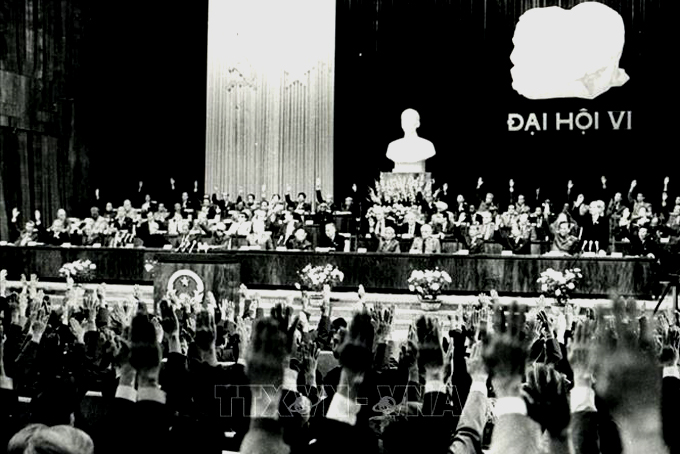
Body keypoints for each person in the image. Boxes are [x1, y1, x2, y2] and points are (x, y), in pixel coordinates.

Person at [386, 108, 436, 173]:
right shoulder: (393, 146)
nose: (407, 123)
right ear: (401, 124)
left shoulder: (427, 145)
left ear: (418, 123)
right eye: (404, 120)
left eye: (410, 120)